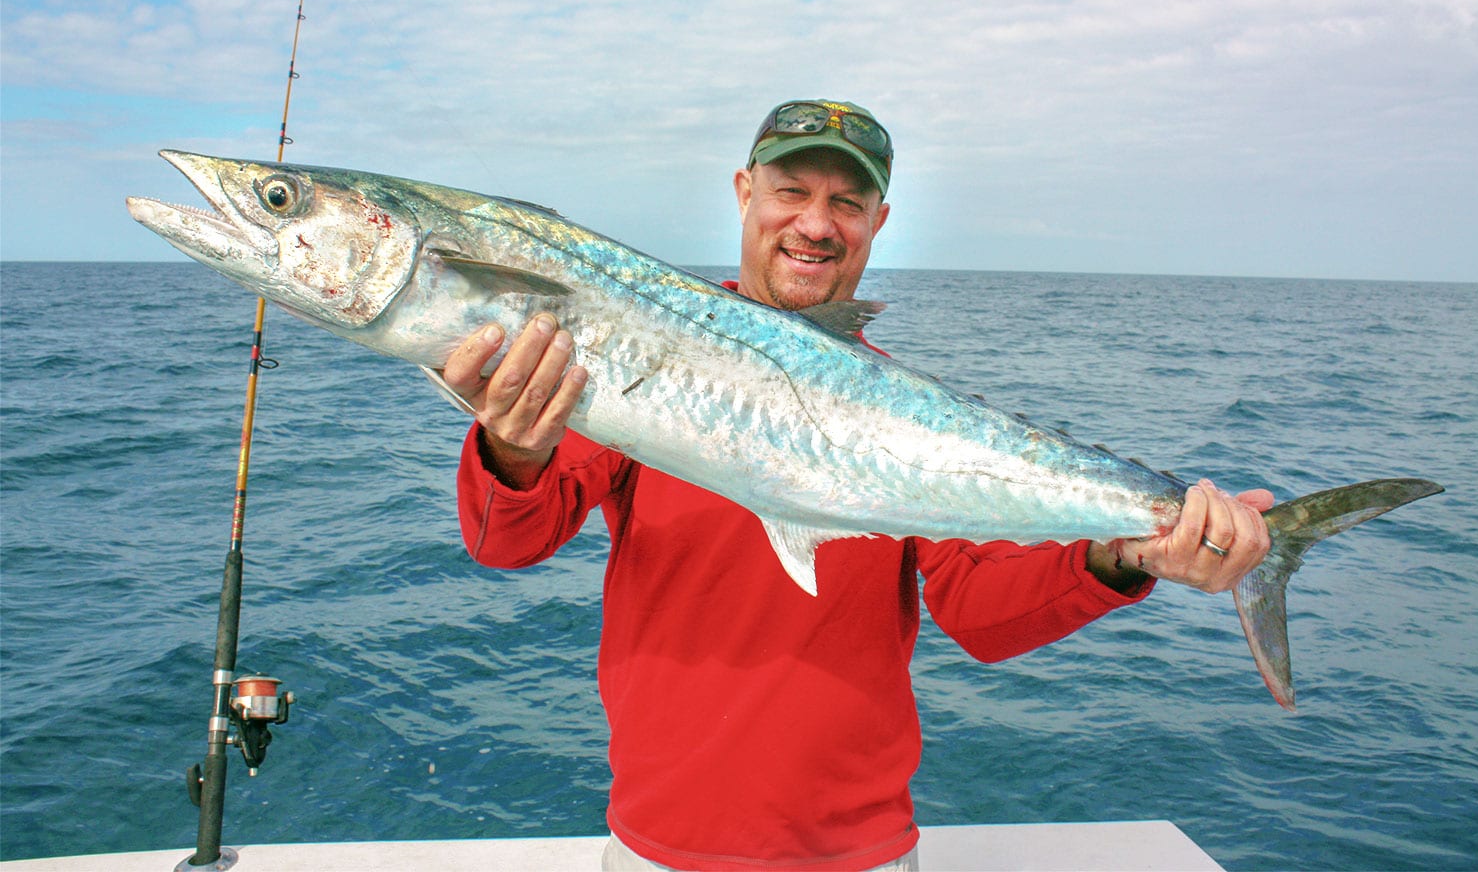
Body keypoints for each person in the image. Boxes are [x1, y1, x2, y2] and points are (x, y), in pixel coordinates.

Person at [442, 99, 1272, 872]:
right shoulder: (634, 355)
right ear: (744, 193)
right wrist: (511, 449)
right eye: (791, 190)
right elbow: (506, 542)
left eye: (847, 202)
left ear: (878, 221)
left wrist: (1130, 558)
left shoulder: (912, 423)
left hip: (862, 854)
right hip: (660, 845)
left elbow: (981, 614)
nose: (814, 224)